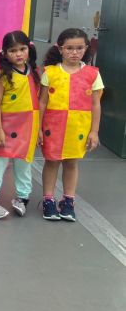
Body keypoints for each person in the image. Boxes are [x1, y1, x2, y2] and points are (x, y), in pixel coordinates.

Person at [38, 28, 103, 222]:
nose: (74, 52)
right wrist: (38, 128)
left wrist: (94, 131)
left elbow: (95, 104)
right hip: (53, 126)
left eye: (79, 48)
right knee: (51, 161)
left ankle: (68, 201)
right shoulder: (50, 72)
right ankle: (48, 200)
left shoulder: (93, 74)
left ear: (85, 49)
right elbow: (42, 102)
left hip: (78, 127)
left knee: (72, 162)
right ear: (60, 49)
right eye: (69, 48)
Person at [0, 31, 40, 219]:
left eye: (22, 49)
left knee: (24, 163)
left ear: (28, 49)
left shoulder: (35, 73)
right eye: (13, 51)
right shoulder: (2, 75)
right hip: (6, 126)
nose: (19, 54)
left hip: (28, 126)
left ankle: (23, 197)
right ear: (4, 53)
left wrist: (38, 131)